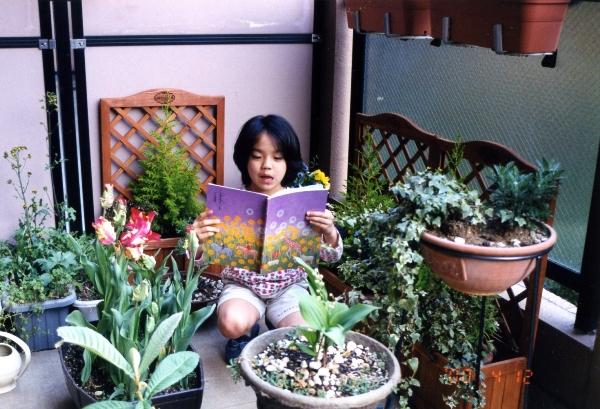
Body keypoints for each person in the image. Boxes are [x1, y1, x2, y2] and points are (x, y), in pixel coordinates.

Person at [193, 114, 343, 361]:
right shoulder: (228, 205)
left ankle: (277, 321)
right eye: (257, 156)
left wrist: (329, 232)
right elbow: (200, 260)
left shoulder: (303, 203)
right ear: (245, 159)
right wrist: (198, 241)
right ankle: (244, 332)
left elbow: (330, 257)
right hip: (243, 287)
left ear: (288, 161)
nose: (267, 166)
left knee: (310, 337)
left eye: (277, 157)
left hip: (289, 289)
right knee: (230, 323)